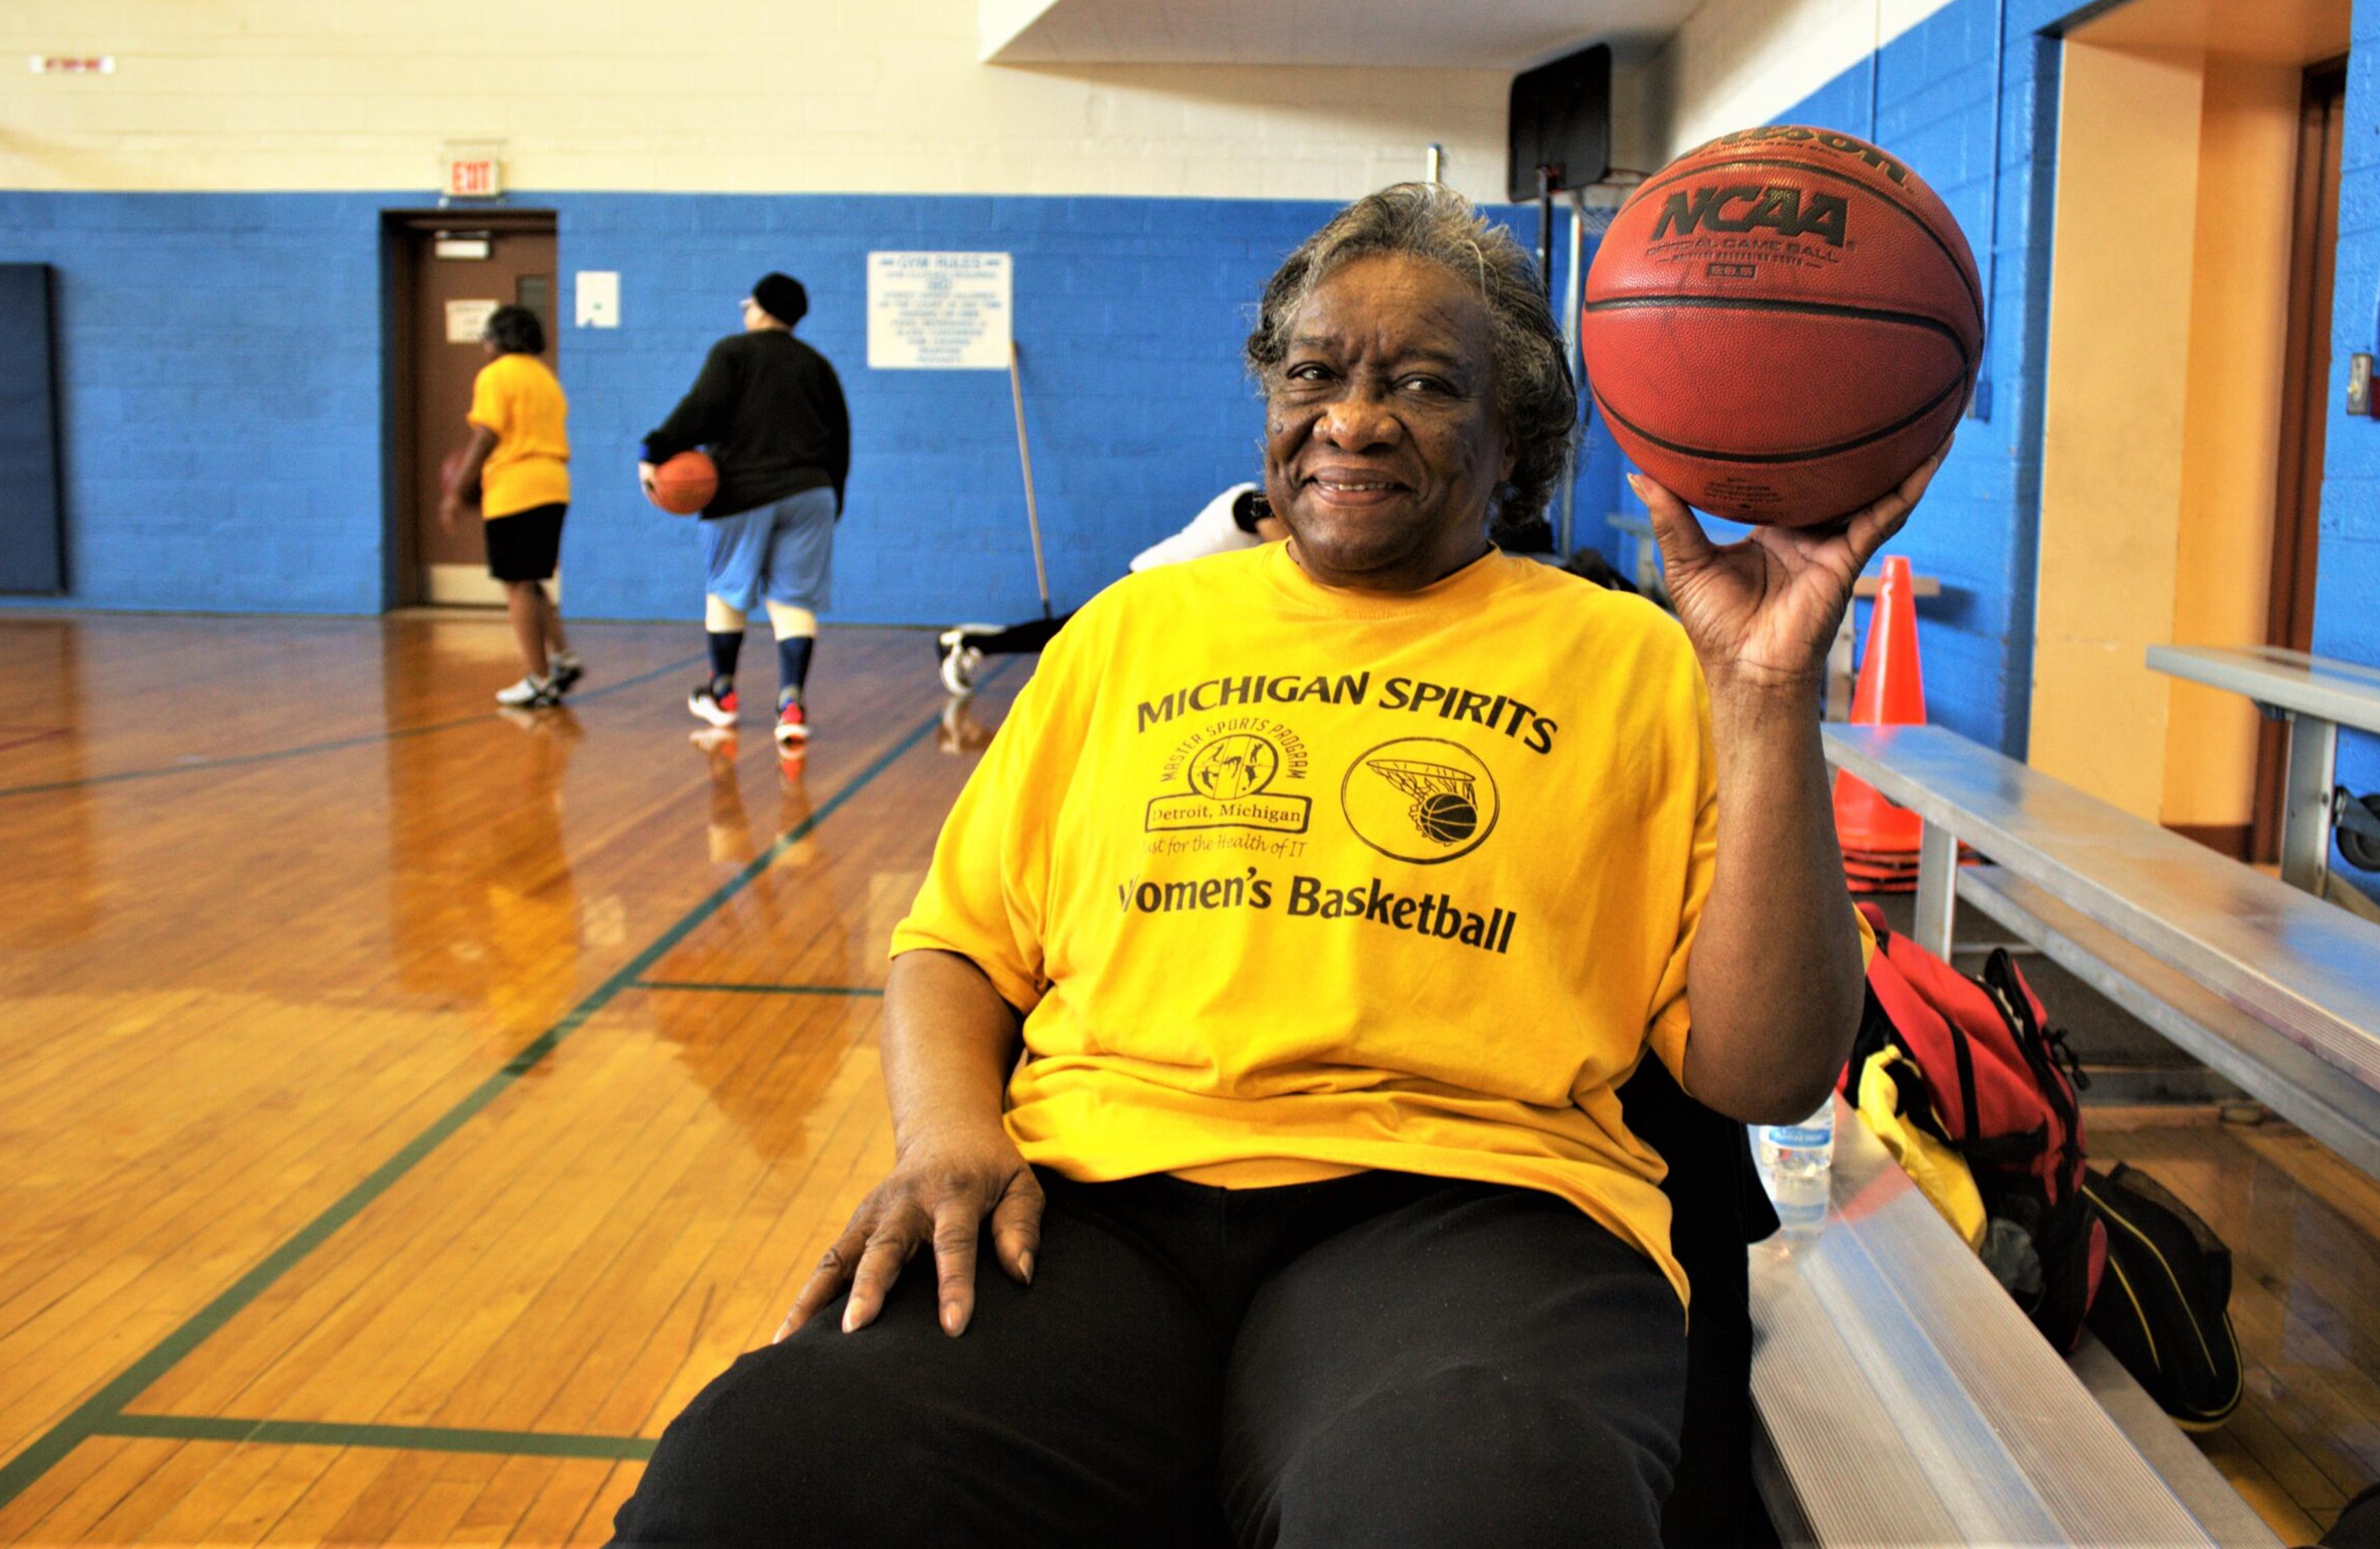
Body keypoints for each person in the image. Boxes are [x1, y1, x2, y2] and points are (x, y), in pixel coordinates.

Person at [611, 184, 1938, 1547]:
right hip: (1094, 1209)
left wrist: (1770, 696)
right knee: (758, 1476)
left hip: (1474, 1208)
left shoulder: (1635, 658)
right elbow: (956, 944)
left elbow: (1765, 1071)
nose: (1353, 417)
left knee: (1481, 1511)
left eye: (1423, 383)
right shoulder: (1131, 633)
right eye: (1315, 372)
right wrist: (949, 1136)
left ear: (1518, 444)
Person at [640, 272, 850, 749]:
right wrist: (831, 498)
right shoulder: (819, 365)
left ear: (759, 308)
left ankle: (724, 695)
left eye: (747, 304)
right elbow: (841, 439)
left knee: (727, 592)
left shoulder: (733, 352)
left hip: (740, 491)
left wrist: (653, 449)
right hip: (810, 493)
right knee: (794, 600)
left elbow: (701, 408)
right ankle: (792, 705)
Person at [935, 482, 1287, 695]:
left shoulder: (1254, 498)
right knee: (1071, 636)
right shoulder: (1256, 501)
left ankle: (980, 640)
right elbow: (1284, 556)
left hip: (1177, 594)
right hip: (1153, 584)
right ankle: (967, 642)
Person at [442, 304, 580, 708]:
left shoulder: (496, 375)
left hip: (515, 488)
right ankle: (563, 656)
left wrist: (457, 491)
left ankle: (538, 679)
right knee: (532, 578)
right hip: (553, 485)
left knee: (516, 585)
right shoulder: (545, 377)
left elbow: (486, 435)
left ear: (498, 339)